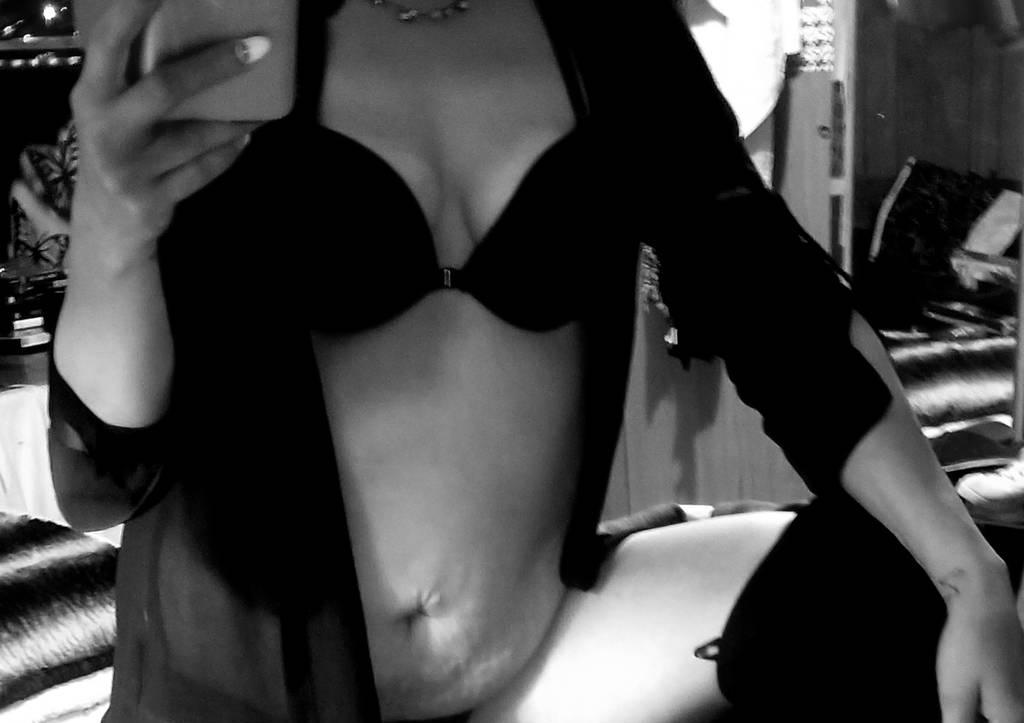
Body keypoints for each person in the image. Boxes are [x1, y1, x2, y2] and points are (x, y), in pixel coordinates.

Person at [48, 0, 1024, 720]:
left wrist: (963, 568)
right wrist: (110, 237)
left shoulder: (604, 26)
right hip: (247, 695)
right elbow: (103, 477)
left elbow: (777, 304)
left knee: (934, 599)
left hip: (540, 664)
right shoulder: (219, 33)